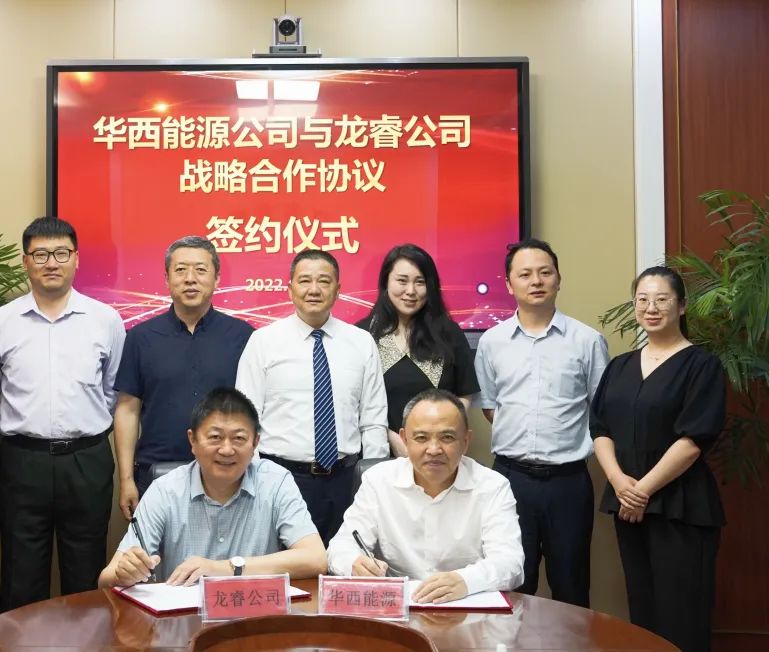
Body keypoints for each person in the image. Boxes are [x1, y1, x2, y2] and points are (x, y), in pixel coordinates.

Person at [0, 216, 126, 611]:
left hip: (86, 460)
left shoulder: (105, 320)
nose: (51, 263)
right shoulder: (0, 323)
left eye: (61, 253)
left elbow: (113, 391)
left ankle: (88, 641)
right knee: (20, 571)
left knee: (86, 571)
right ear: (26, 261)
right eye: (41, 254)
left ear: (76, 259)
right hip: (22, 460)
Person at [591, 266, 724, 652]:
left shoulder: (702, 365)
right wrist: (619, 482)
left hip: (680, 505)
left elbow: (694, 439)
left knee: (682, 613)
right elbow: (600, 429)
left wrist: (642, 490)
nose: (651, 308)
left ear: (681, 306)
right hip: (627, 504)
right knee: (643, 610)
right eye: (642, 300)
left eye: (662, 299)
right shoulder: (619, 366)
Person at [474, 238, 608, 607]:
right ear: (509, 284)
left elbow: (601, 410)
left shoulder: (587, 341)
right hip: (510, 479)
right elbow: (491, 406)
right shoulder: (492, 342)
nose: (536, 281)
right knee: (513, 585)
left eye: (545, 272)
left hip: (569, 482)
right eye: (525, 274)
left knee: (571, 586)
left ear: (558, 279)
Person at [98, 387, 326, 588]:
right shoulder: (164, 490)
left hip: (255, 615)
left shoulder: (276, 482)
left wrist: (225, 568)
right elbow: (106, 579)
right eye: (215, 437)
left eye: (239, 438)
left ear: (255, 443)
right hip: (182, 618)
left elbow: (316, 558)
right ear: (193, 440)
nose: (226, 450)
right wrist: (123, 574)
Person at [236, 248, 388, 543]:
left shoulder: (361, 342)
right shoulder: (263, 341)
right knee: (284, 566)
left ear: (338, 290)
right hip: (280, 479)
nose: (314, 289)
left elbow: (373, 419)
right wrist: (255, 481)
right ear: (290, 288)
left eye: (324, 281)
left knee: (344, 562)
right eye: (305, 281)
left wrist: (372, 481)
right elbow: (246, 419)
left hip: (346, 481)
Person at [327, 389, 524, 603]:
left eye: (447, 437)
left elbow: (510, 562)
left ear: (466, 441)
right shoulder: (378, 481)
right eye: (421, 438)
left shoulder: (493, 487)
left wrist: (466, 580)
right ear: (405, 439)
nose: (434, 449)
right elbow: (341, 547)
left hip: (464, 606)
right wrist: (354, 563)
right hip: (396, 608)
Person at [113, 236, 253, 520]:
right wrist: (126, 479)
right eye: (180, 270)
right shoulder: (140, 337)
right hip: (156, 474)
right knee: (154, 550)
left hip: (226, 472)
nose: (190, 279)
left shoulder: (243, 336)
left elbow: (255, 409)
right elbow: (127, 410)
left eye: (200, 270)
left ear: (217, 278)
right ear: (167, 278)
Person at [356, 244, 480, 457]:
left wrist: (439, 436)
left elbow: (464, 393)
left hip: (438, 454)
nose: (411, 291)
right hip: (378, 455)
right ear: (386, 282)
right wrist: (393, 439)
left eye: (420, 282)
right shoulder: (363, 335)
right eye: (402, 281)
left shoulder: (449, 333)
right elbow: (352, 403)